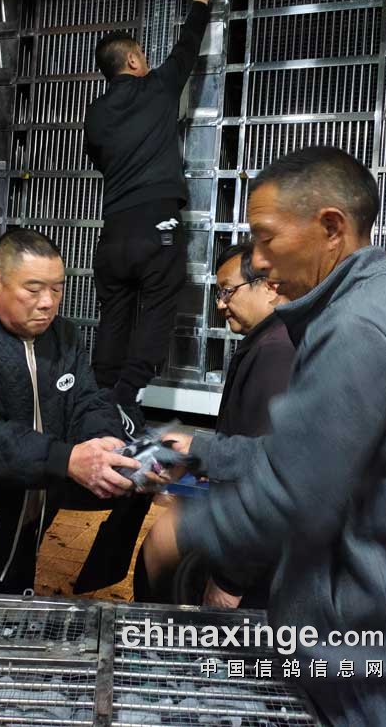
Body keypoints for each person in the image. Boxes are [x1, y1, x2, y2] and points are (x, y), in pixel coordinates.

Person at [140, 146, 386, 726]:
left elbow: (296, 495)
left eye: (266, 238)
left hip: (369, 672)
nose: (259, 260)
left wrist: (186, 530)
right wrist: (204, 450)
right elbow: (308, 458)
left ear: (331, 228)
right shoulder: (372, 311)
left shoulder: (356, 330)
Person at [0, 228, 143, 594]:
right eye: (34, 289)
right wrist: (66, 459)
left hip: (33, 508)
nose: (47, 302)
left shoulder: (64, 337)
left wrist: (103, 440)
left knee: (15, 585)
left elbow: (87, 400)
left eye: (57, 289)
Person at [84, 0, 215, 433]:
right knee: (160, 303)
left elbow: (98, 158)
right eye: (143, 54)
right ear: (134, 60)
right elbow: (187, 47)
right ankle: (128, 396)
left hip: (113, 232)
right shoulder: (156, 88)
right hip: (156, 222)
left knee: (115, 314)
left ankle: (100, 400)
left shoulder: (96, 113)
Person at [134, 241, 295, 609]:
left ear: (268, 287)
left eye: (227, 291)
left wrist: (229, 582)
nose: (220, 304)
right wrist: (197, 457)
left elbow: (266, 478)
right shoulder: (265, 341)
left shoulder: (275, 352)